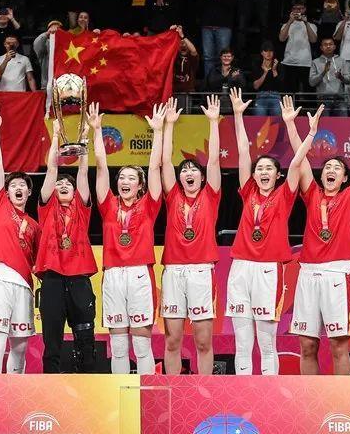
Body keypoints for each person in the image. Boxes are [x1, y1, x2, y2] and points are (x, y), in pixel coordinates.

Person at [286, 95, 350, 375]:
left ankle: (340, 395)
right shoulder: (311, 193)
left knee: (338, 345)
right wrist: (295, 126)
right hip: (308, 273)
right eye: (327, 168)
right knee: (307, 345)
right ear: (322, 175)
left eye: (337, 169)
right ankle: (310, 396)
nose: (331, 171)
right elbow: (299, 160)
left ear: (344, 178)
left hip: (337, 275)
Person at [226, 88, 319, 375]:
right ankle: (243, 390)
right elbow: (243, 151)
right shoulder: (248, 192)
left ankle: (268, 391)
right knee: (242, 343)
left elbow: (297, 162)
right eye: (260, 168)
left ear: (277, 175)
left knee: (267, 344)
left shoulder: (285, 194)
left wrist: (306, 132)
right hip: (240, 268)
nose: (264, 172)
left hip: (269, 270)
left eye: (269, 168)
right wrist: (238, 115)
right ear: (254, 175)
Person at [91, 101, 165, 374]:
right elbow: (101, 167)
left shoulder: (149, 205)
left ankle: (145, 393)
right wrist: (96, 129)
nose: (125, 181)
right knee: (119, 345)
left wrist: (158, 131)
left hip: (139, 275)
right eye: (122, 177)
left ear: (140, 185)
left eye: (131, 178)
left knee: (142, 344)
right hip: (113, 275)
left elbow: (155, 168)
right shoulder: (108, 205)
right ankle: (119, 394)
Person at [160, 95, 221, 375]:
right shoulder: (172, 196)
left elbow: (214, 162)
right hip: (174, 271)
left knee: (203, 340)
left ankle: (204, 389)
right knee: (172, 340)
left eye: (193, 169)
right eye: (184, 170)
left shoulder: (210, 195)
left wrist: (213, 122)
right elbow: (164, 161)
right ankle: (173, 389)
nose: (188, 172)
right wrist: (169, 125)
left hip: (201, 272)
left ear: (202, 177)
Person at [35, 118, 97, 373]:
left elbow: (83, 172)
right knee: (52, 338)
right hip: (52, 279)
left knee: (85, 338)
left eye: (67, 184)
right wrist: (55, 136)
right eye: (59, 184)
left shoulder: (82, 208)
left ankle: (89, 379)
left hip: (79, 278)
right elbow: (52, 170)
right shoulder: (47, 208)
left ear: (74, 191)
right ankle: (50, 382)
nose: (62, 185)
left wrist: (84, 140)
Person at [0, 108, 39, 373]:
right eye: (13, 185)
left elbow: (37, 260)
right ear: (6, 192)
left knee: (20, 346)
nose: (17, 188)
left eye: (22, 186)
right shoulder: (0, 205)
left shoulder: (35, 226)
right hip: (0, 276)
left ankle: (15, 390)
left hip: (24, 284)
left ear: (29, 192)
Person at [278, 0, 318, 92]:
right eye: (295, 9)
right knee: (289, 92)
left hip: (305, 62)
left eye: (300, 9)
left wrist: (306, 23)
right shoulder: (286, 25)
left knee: (306, 91)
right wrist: (289, 21)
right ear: (292, 10)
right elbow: (281, 39)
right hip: (289, 62)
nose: (297, 11)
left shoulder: (311, 25)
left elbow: (313, 40)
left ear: (304, 9)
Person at [309, 38, 349, 115]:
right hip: (323, 100)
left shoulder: (342, 61)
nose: (328, 46)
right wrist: (323, 72)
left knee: (343, 121)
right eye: (325, 44)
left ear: (334, 47)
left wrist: (341, 77)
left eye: (330, 44)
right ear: (321, 48)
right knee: (325, 122)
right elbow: (312, 82)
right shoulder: (315, 62)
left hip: (339, 99)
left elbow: (349, 80)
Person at [250, 41, 284, 115]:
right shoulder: (257, 65)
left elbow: (280, 85)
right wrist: (265, 73)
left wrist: (274, 70)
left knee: (277, 119)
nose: (268, 53)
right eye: (266, 51)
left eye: (271, 51)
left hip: (275, 96)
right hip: (261, 96)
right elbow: (255, 86)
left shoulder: (278, 65)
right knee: (259, 119)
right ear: (262, 53)